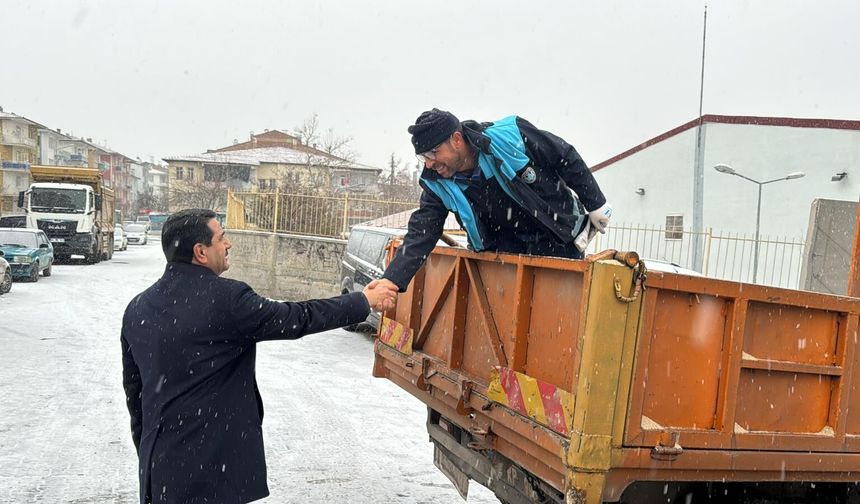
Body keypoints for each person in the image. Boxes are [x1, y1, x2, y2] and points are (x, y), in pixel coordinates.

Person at [121, 208, 396, 504]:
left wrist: (152, 453)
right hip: (210, 472)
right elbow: (298, 318)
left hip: (159, 469)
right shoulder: (227, 300)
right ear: (200, 252)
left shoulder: (137, 308)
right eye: (222, 238)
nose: (229, 245)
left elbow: (135, 396)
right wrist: (363, 301)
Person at [379, 108, 611, 292]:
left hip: (557, 240)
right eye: (423, 157)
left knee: (557, 314)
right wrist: (392, 280)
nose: (429, 164)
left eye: (433, 153)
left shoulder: (509, 136)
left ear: (457, 139)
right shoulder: (436, 183)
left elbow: (564, 156)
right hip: (503, 254)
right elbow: (422, 232)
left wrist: (595, 203)